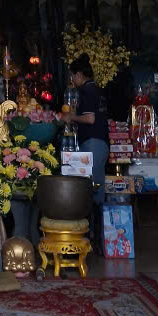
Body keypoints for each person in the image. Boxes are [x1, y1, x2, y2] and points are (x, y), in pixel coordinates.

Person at [67, 54, 110, 206]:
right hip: (101, 143)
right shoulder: (97, 89)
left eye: (72, 76)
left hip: (93, 144)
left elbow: (90, 119)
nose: (72, 80)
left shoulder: (87, 91)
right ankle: (95, 219)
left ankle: (95, 219)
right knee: (95, 185)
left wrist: (71, 117)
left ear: (79, 74)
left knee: (92, 188)